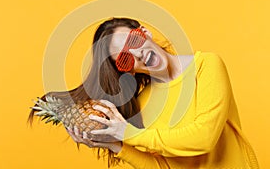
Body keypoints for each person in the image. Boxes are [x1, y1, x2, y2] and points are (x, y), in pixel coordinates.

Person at [55, 17, 260, 168]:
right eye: (125, 59)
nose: (138, 54)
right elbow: (163, 166)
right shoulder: (144, 104)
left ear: (145, 32)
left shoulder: (205, 66)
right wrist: (117, 145)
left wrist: (128, 133)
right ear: (128, 70)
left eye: (134, 41)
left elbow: (204, 138)